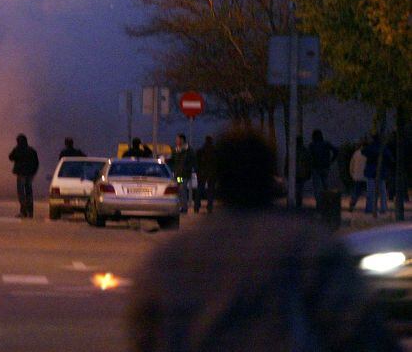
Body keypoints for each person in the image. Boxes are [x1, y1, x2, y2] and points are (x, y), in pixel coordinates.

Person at [128, 126, 400, 352]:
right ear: (269, 176)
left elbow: (146, 333)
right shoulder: (310, 247)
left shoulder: (172, 258)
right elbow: (361, 329)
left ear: (220, 178)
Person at [8, 134, 39, 218]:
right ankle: (30, 212)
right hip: (29, 174)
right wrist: (33, 172)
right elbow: (36, 163)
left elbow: (10, 157)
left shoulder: (17, 150)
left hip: (21, 174)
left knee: (21, 193)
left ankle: (23, 211)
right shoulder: (31, 150)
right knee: (29, 192)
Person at [362, 133, 393, 215]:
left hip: (371, 171)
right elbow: (390, 157)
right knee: (382, 191)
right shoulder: (383, 148)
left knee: (371, 191)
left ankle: (370, 208)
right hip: (381, 172)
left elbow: (363, 151)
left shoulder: (370, 148)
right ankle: (383, 207)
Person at [308, 129, 339, 199]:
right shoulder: (326, 144)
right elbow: (336, 151)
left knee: (317, 186)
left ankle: (319, 202)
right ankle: (326, 200)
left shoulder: (312, 145)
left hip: (315, 167)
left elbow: (309, 156)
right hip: (325, 166)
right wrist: (331, 160)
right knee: (325, 185)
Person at [169, 134, 195, 212]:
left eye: (178, 139)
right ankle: (181, 206)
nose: (176, 141)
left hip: (185, 174)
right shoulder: (176, 150)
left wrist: (189, 168)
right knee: (180, 190)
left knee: (182, 189)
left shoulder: (189, 150)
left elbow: (192, 160)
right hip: (179, 175)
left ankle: (184, 207)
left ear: (182, 140)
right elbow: (173, 160)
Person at [193, 135, 216, 213]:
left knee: (200, 189)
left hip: (202, 173)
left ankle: (197, 206)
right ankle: (209, 206)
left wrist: (198, 171)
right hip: (211, 173)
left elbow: (196, 162)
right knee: (210, 191)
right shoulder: (214, 151)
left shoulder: (201, 151)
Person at [348, 140, 367, 212]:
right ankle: (369, 208)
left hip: (357, 176)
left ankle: (352, 205)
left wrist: (352, 174)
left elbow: (351, 165)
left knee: (356, 192)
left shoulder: (356, 153)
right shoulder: (369, 154)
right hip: (366, 176)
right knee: (369, 192)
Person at [294, 135, 312, 208]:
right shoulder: (305, 151)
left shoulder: (293, 150)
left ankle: (298, 201)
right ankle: (298, 201)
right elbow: (309, 162)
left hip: (296, 172)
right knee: (300, 188)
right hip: (302, 172)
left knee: (297, 187)